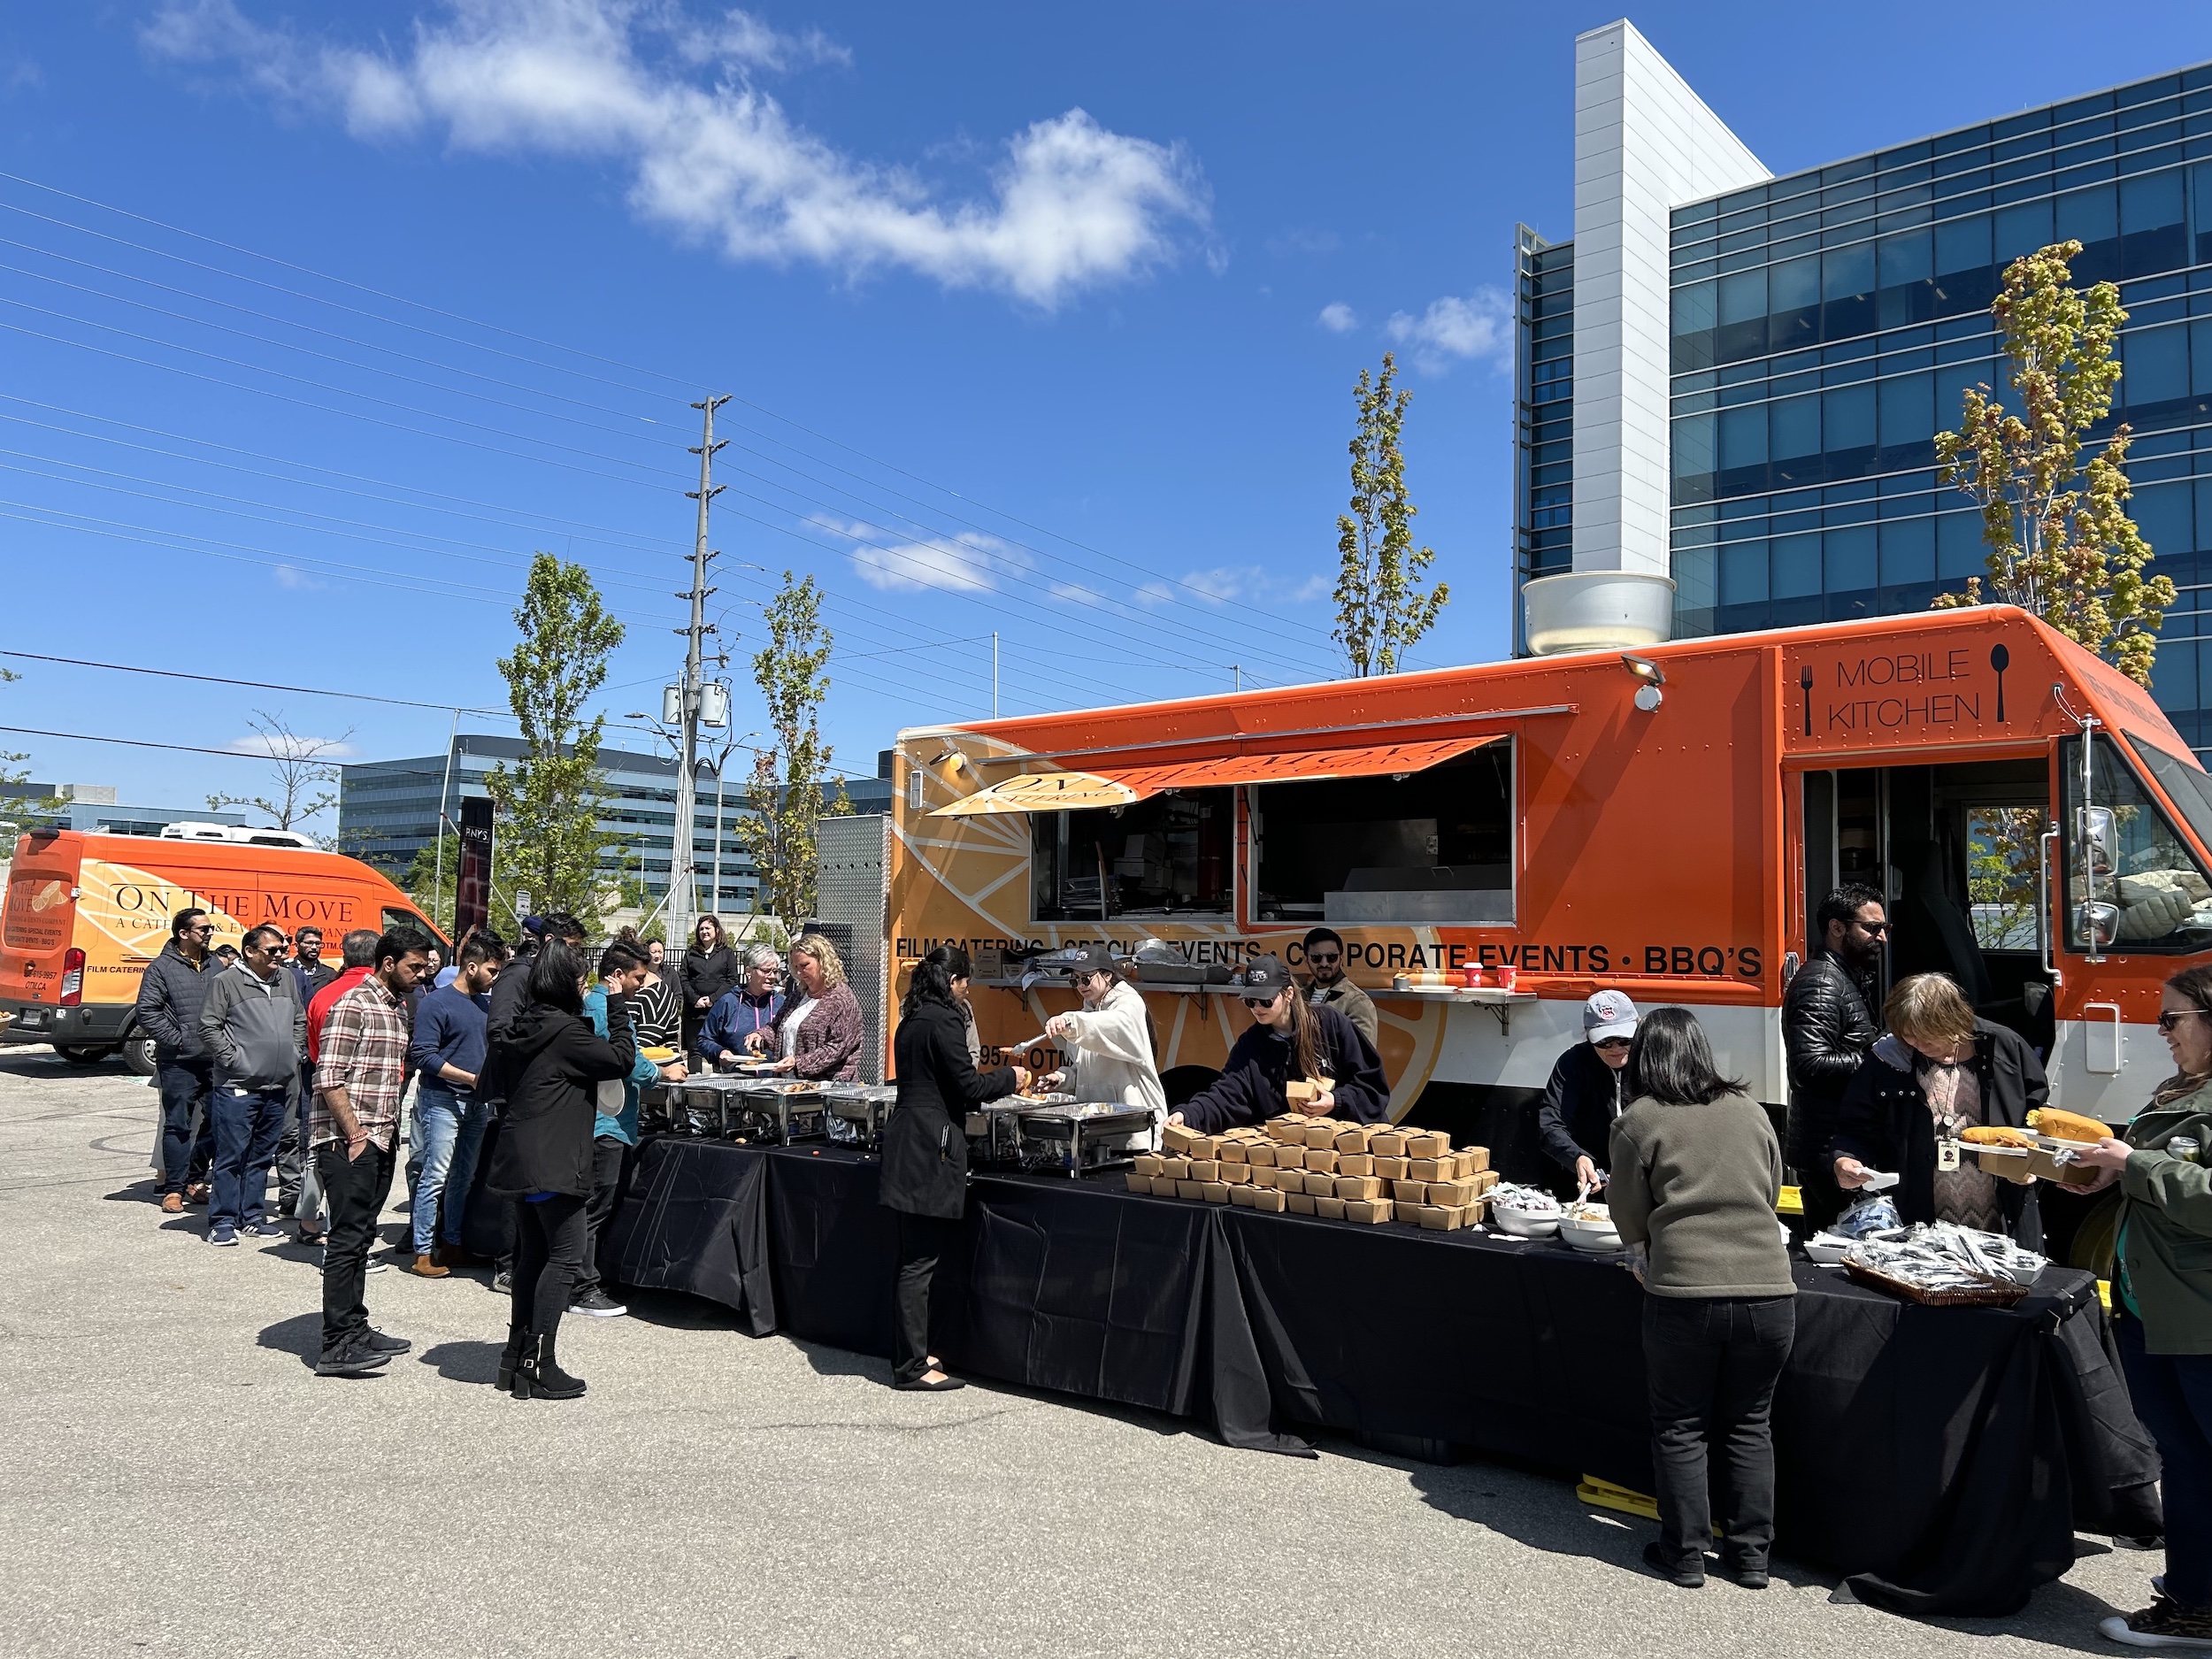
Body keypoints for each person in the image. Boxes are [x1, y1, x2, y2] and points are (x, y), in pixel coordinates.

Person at [1608, 1006, 1796, 1592]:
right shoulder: (1749, 1111)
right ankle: (1751, 1558)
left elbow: (1627, 1214)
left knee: (1681, 1425)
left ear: (1644, 1058)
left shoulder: (1639, 1119)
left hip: (1685, 1292)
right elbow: (1770, 1186)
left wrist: (1644, 1247)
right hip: (1770, 1291)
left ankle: (1685, 1554)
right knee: (1749, 1424)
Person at [2070, 965, 2212, 1651]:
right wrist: (2110, 1170)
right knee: (2183, 1462)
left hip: (2200, 1316)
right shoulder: (2180, 1089)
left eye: (2173, 1018)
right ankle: (2193, 1601)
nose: (2160, 1031)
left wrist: (2138, 1166)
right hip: (2156, 1309)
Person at [484, 939, 639, 1400]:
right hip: (553, 1159)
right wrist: (615, 1008)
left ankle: (515, 1359)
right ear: (570, 984)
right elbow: (621, 1061)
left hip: (520, 1154)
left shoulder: (523, 1027)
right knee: (565, 1256)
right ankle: (540, 1362)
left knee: (533, 1256)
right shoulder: (565, 1032)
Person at [879, 946, 1027, 1391]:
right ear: (955, 981)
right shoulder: (944, 1019)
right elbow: (968, 1087)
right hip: (930, 1146)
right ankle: (911, 1368)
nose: (967, 993)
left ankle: (911, 1353)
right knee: (919, 1262)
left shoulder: (911, 1019)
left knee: (911, 1258)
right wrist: (1011, 1077)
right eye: (966, 984)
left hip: (907, 1138)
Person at [1831, 973, 2047, 1244]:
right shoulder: (1888, 1058)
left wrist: (2030, 1164)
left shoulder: (2004, 1047)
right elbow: (1855, 1127)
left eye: (1925, 1037)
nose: (1915, 1045)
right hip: (1918, 1227)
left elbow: (2038, 1119)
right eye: (1907, 1037)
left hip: (2001, 1222)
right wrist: (1846, 1159)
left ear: (1952, 1020)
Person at [311, 929, 431, 1378]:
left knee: (362, 1235)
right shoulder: (353, 1005)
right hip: (348, 1141)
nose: (421, 975)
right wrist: (355, 1132)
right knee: (345, 1239)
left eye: (423, 967)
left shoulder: (395, 1007)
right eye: (413, 967)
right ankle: (336, 1344)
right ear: (386, 963)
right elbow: (329, 1076)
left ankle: (355, 1328)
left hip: (381, 1136)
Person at [572, 941, 684, 1320]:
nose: (643, 982)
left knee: (597, 1204)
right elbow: (626, 1059)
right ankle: (582, 1287)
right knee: (596, 1205)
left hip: (611, 1119)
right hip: (606, 1122)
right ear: (617, 976)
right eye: (638, 976)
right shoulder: (602, 1009)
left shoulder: (600, 1005)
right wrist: (662, 1073)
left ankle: (586, 1280)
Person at [1169, 955, 1389, 1133]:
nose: (1257, 1008)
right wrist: (1187, 1115)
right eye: (1250, 1001)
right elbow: (1226, 1095)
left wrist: (1336, 1101)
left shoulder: (1329, 1023)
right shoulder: (1250, 1045)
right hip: (1296, 1154)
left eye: (1266, 1000)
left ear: (1289, 994)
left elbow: (1371, 1085)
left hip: (1351, 1145)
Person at [196, 924, 308, 1247]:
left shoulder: (286, 979)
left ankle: (253, 1217)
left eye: (282, 949)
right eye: (271, 950)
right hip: (238, 1086)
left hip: (279, 1085)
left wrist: (294, 1053)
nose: (279, 955)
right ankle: (223, 1221)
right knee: (231, 1156)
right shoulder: (226, 981)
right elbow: (208, 1027)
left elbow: (299, 1020)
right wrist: (235, 1061)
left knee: (262, 1155)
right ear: (250, 951)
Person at [1783, 883, 1886, 1232]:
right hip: (1828, 1150)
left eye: (1884, 928)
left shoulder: (1842, 977)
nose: (1882, 937)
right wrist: (1877, 1058)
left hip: (1836, 1145)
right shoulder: (1823, 983)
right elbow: (1808, 1065)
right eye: (1871, 928)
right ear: (1837, 928)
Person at [403, 933, 504, 1276]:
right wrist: (470, 1078)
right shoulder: (437, 1002)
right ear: (471, 966)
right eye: (492, 969)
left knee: (464, 1176)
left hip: (476, 1103)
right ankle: (422, 1252)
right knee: (435, 1175)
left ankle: (453, 1244)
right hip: (443, 1099)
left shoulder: (486, 1005)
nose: (495, 977)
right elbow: (423, 1055)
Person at [297, 928, 380, 1248]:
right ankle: (341, 1235)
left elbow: (315, 1046)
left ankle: (307, 1220)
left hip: (320, 1081)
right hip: (361, 1093)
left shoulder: (323, 993)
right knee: (352, 1166)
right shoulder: (372, 995)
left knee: (318, 1154)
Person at [136, 907, 221, 1215]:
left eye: (211, 928)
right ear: (184, 934)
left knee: (218, 1121)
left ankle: (195, 1180)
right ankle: (173, 1188)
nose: (209, 934)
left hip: (215, 1060)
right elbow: (147, 1011)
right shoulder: (161, 968)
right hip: (178, 1062)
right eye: (204, 929)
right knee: (178, 1125)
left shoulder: (217, 966)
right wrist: (180, 1040)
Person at [1042, 943, 1165, 1129]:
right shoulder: (1088, 1015)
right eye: (1075, 980)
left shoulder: (1129, 1004)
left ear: (1107, 975)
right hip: (1099, 1128)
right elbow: (1085, 1072)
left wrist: (1071, 1021)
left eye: (1087, 979)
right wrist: (1062, 1079)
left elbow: (1111, 1026)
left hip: (1136, 1128)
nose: (1081, 986)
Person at [1537, 990, 1640, 1194]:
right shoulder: (1572, 1063)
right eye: (1604, 1042)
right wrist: (1576, 1157)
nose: (1615, 1049)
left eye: (1623, 1039)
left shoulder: (1651, 1060)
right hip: (1590, 1183)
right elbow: (1551, 1124)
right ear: (1588, 1035)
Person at [749, 933, 864, 1081]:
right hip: (790, 1084)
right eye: (796, 967)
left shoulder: (841, 998)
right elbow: (777, 1028)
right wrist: (760, 1036)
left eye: (805, 966)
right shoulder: (797, 995)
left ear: (823, 961)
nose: (799, 972)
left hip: (828, 1088)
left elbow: (838, 1047)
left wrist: (798, 1063)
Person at [700, 943, 785, 1069]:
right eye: (766, 971)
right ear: (749, 972)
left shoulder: (783, 1004)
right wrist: (719, 1052)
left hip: (774, 1081)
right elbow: (704, 1040)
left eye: (775, 971)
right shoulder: (728, 1002)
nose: (772, 977)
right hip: (735, 1081)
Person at [1300, 926, 1379, 1049]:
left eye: (1331, 957)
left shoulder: (1357, 1002)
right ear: (1306, 960)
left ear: (1341, 958)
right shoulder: (1299, 998)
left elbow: (1362, 1055)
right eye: (1316, 958)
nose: (1324, 963)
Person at [679, 916, 738, 1060]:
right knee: (695, 1051)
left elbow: (732, 980)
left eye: (708, 928)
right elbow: (683, 978)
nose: (704, 932)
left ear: (716, 931)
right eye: (701, 929)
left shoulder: (727, 953)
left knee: (720, 1051)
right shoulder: (690, 953)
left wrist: (713, 999)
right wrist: (695, 999)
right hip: (694, 1012)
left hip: (719, 1010)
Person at [288, 926, 337, 1004]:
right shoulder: (287, 972)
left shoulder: (330, 974)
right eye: (309, 943)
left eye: (318, 944)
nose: (314, 947)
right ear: (296, 946)